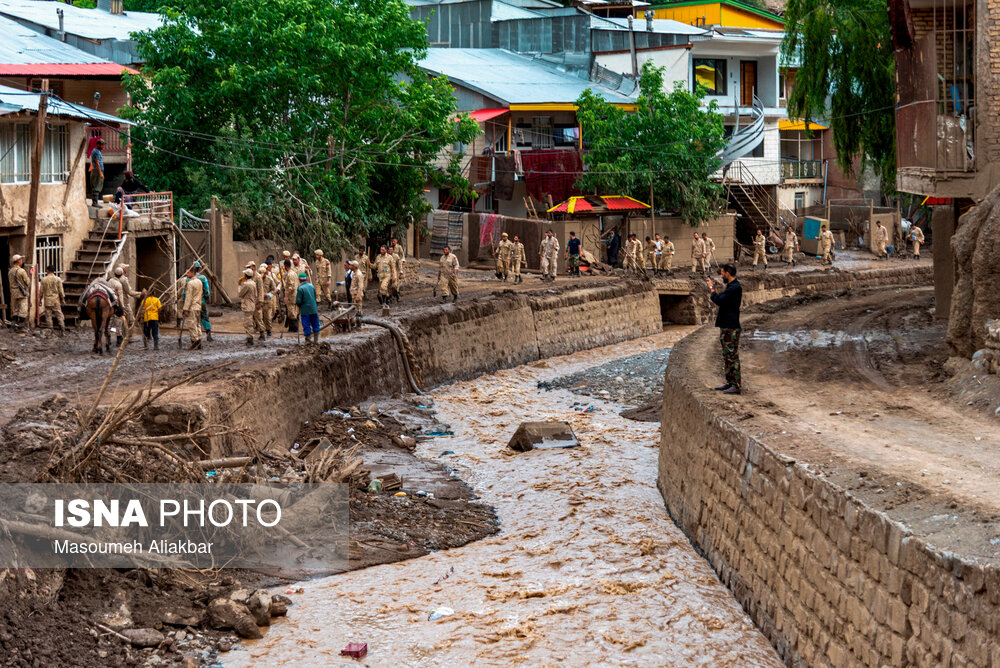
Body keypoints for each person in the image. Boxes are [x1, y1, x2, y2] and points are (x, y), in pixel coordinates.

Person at [708, 263, 743, 395]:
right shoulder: (731, 287)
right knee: (727, 356)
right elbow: (722, 299)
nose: (721, 275)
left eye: (722, 273)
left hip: (731, 327)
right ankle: (730, 382)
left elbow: (719, 300)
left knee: (732, 357)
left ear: (728, 273)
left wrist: (711, 288)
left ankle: (736, 385)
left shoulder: (735, 288)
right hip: (727, 326)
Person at [181, 266, 204, 350]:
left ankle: (194, 342)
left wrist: (185, 309)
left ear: (192, 273)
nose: (186, 274)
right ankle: (199, 342)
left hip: (192, 306)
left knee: (192, 324)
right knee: (198, 324)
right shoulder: (199, 281)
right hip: (198, 306)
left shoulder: (190, 283)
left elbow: (188, 297)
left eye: (188, 272)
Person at [39, 265, 66, 333]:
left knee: (48, 315)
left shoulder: (44, 279)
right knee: (59, 314)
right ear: (54, 271)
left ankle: (50, 329)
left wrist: (40, 300)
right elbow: (61, 291)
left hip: (47, 300)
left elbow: (41, 291)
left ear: (47, 270)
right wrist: (62, 299)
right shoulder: (58, 279)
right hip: (55, 300)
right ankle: (62, 328)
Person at [296, 272, 320, 343]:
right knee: (315, 323)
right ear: (306, 279)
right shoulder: (312, 286)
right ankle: (316, 340)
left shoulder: (300, 288)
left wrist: (299, 306)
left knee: (306, 324)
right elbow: (315, 297)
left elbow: (298, 301)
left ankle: (308, 340)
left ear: (299, 280)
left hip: (305, 310)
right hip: (313, 309)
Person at [8, 255, 29, 329]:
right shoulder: (21, 271)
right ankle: (20, 326)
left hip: (14, 293)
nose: (22, 261)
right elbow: (28, 282)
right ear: (18, 261)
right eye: (21, 259)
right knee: (23, 309)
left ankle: (13, 325)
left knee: (15, 309)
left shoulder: (10, 271)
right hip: (21, 293)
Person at [238, 267, 258, 346]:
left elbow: (240, 294)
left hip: (247, 305)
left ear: (246, 275)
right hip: (252, 304)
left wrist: (239, 285)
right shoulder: (253, 283)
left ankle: (250, 338)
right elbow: (256, 295)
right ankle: (250, 337)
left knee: (248, 323)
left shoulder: (246, 284)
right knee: (250, 321)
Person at [195, 263, 213, 341]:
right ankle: (208, 335)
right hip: (202, 302)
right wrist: (206, 298)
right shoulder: (202, 278)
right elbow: (206, 291)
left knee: (194, 319)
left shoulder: (188, 279)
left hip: (193, 304)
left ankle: (196, 337)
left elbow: (185, 293)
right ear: (199, 269)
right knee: (205, 317)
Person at [261, 262, 277, 336]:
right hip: (259, 301)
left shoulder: (270, 279)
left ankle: (269, 331)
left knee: (267, 317)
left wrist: (268, 294)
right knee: (259, 317)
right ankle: (261, 331)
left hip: (267, 301)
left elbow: (274, 290)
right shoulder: (257, 279)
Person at [89, 138, 105, 203]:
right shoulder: (97, 152)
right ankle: (95, 202)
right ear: (98, 144)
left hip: (95, 170)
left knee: (95, 186)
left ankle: (95, 202)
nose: (102, 146)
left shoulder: (95, 151)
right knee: (97, 186)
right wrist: (100, 173)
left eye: (103, 145)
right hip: (97, 170)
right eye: (101, 145)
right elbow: (97, 163)